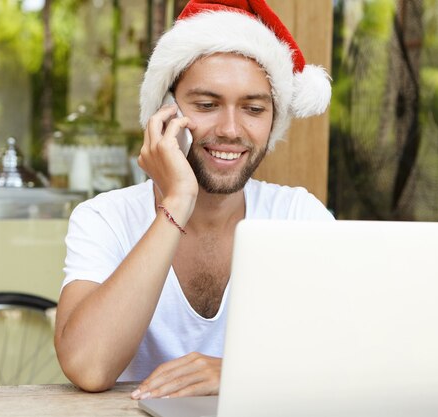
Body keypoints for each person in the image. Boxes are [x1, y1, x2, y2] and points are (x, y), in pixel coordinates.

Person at [54, 0, 334, 399]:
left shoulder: (298, 217)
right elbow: (89, 366)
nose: (231, 129)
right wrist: (178, 200)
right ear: (164, 111)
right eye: (206, 105)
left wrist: (238, 373)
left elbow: (346, 355)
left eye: (253, 109)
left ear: (274, 121)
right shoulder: (104, 218)